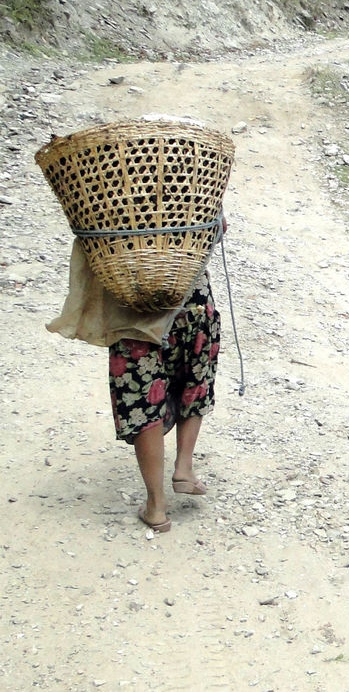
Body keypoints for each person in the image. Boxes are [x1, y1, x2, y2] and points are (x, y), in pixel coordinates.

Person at [48, 225, 224, 534]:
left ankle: (156, 506)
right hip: (190, 294)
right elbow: (216, 227)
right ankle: (183, 467)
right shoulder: (192, 180)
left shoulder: (112, 184)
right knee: (194, 379)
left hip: (130, 297)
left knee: (145, 397)